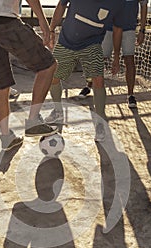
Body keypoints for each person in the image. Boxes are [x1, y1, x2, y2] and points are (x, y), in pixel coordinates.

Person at [0, 0, 58, 151]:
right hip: (4, 20)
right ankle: (33, 121)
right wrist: (43, 22)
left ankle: (6, 137)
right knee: (48, 65)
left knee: (2, 85)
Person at [45, 0, 125, 142]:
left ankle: (100, 122)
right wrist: (51, 30)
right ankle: (58, 111)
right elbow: (61, 5)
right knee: (53, 77)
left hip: (92, 44)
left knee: (98, 81)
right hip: (66, 41)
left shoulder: (119, 3)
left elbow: (118, 29)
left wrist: (116, 56)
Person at [79, 0, 148, 108]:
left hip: (129, 28)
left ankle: (130, 95)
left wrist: (142, 30)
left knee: (129, 60)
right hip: (109, 27)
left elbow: (144, 6)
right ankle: (88, 86)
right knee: (99, 58)